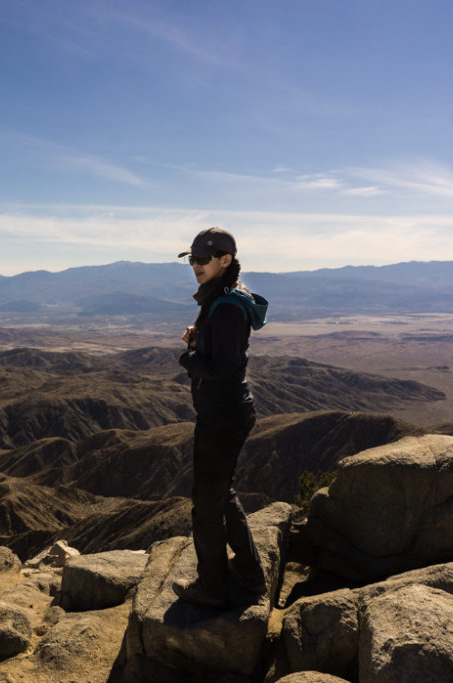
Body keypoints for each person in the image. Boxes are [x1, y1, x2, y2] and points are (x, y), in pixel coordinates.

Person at [173, 227, 268, 609]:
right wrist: (201, 339)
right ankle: (249, 572)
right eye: (191, 259)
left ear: (224, 260)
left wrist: (188, 358)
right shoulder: (225, 297)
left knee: (205, 505)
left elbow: (224, 369)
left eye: (202, 259)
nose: (195, 266)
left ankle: (212, 588)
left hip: (222, 416)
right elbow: (225, 354)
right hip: (228, 412)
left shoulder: (226, 305)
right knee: (220, 495)